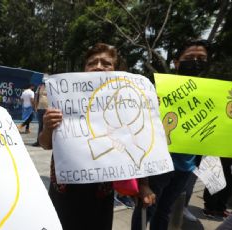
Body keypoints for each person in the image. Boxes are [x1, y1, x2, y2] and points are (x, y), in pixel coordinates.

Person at [39, 43, 152, 229]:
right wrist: (49, 127)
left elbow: (139, 144)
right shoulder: (63, 100)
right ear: (85, 69)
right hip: (64, 190)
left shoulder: (127, 102)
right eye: (92, 62)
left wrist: (144, 184)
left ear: (116, 70)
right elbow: (45, 144)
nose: (98, 66)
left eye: (106, 63)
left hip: (101, 192)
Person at [131, 39, 211, 230]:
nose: (196, 62)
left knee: (165, 210)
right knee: (146, 209)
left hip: (186, 166)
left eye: (202, 58)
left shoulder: (212, 94)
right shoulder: (158, 90)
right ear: (176, 62)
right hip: (159, 165)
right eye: (190, 58)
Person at [32, 75, 49, 146]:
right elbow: (36, 97)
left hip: (48, 109)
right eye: (43, 78)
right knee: (40, 125)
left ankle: (47, 142)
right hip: (40, 108)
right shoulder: (39, 87)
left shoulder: (51, 87)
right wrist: (35, 106)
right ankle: (39, 141)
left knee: (47, 126)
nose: (44, 80)